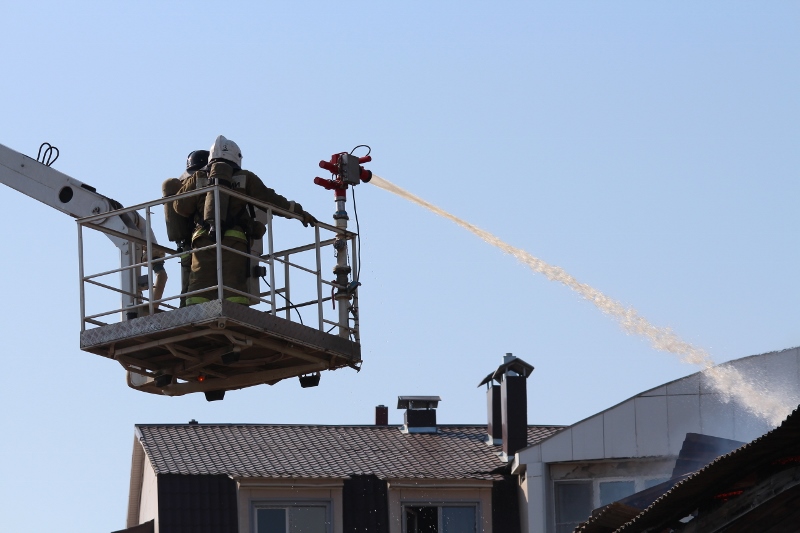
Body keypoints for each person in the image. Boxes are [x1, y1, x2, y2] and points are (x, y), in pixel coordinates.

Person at [173, 135, 316, 306]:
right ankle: (236, 312)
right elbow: (271, 200)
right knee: (234, 287)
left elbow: (179, 206)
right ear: (237, 157)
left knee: (200, 284)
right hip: (235, 241)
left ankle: (195, 313)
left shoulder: (198, 177)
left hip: (203, 239)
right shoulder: (245, 177)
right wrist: (299, 213)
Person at [162, 150, 209, 306]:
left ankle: (185, 306)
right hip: (200, 240)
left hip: (185, 245)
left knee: (189, 285)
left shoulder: (180, 186)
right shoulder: (201, 184)